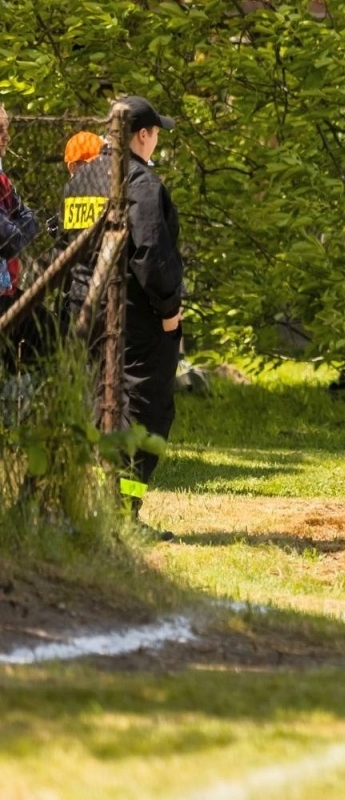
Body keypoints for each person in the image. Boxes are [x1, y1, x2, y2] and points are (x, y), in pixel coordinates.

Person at [62, 96, 183, 537]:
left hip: (83, 308)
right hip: (134, 316)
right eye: (155, 136)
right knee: (145, 408)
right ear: (143, 135)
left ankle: (94, 504)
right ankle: (121, 515)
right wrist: (171, 312)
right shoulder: (143, 184)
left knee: (101, 404)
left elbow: (66, 248)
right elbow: (152, 255)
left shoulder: (81, 180)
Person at [0, 105, 41, 317]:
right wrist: (19, 227)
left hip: (6, 289)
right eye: (0, 130)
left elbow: (31, 218)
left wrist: (18, 227)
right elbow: (9, 242)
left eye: (7, 129)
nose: (7, 137)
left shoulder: (2, 178)